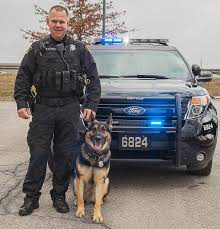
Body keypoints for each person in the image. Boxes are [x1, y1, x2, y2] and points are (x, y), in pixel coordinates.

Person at [14, 5, 101, 216]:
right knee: (38, 154)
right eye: (55, 21)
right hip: (43, 108)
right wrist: (22, 102)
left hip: (70, 108)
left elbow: (94, 80)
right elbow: (23, 77)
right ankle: (31, 198)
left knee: (64, 155)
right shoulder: (37, 48)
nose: (58, 25)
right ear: (48, 22)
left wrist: (90, 105)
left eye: (62, 21)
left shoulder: (79, 49)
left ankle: (59, 196)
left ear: (67, 23)